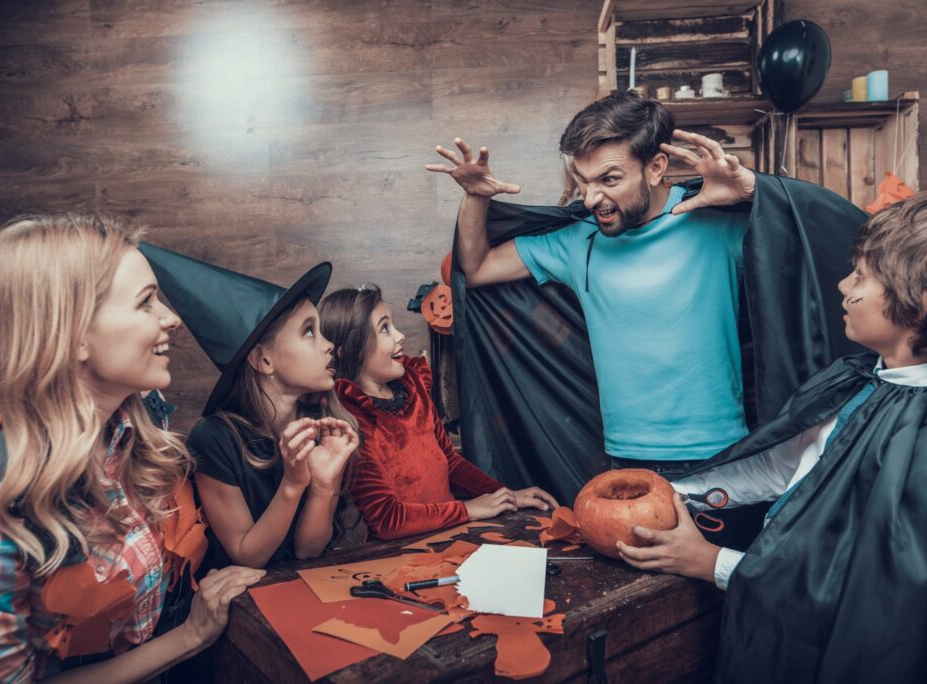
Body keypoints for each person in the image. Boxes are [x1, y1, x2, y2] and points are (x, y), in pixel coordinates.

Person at [428, 90, 866, 530]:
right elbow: (477, 269)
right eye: (583, 180)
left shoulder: (713, 220)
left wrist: (757, 191)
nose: (591, 197)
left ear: (655, 167)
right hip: (623, 458)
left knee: (716, 582)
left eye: (609, 179)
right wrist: (476, 198)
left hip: (720, 455)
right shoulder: (576, 241)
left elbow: (835, 243)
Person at [615, 191, 927, 682]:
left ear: (919, 304)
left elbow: (872, 603)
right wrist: (670, 493)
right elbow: (790, 463)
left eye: (862, 276)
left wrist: (710, 562)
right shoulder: (862, 378)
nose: (842, 284)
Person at [0, 214, 263, 683]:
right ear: (73, 333)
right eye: (146, 303)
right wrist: (191, 636)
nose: (171, 318)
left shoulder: (130, 424)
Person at [137, 244, 359, 572]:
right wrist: (293, 484)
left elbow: (309, 551)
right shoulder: (214, 438)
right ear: (263, 359)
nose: (328, 345)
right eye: (309, 332)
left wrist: (325, 486)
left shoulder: (317, 424)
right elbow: (249, 556)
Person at [319, 286, 558, 540]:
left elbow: (449, 461)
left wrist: (506, 495)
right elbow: (386, 520)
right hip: (401, 553)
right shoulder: (350, 419)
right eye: (385, 328)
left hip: (450, 533)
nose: (400, 336)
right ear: (348, 349)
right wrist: (467, 509)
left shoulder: (413, 388)